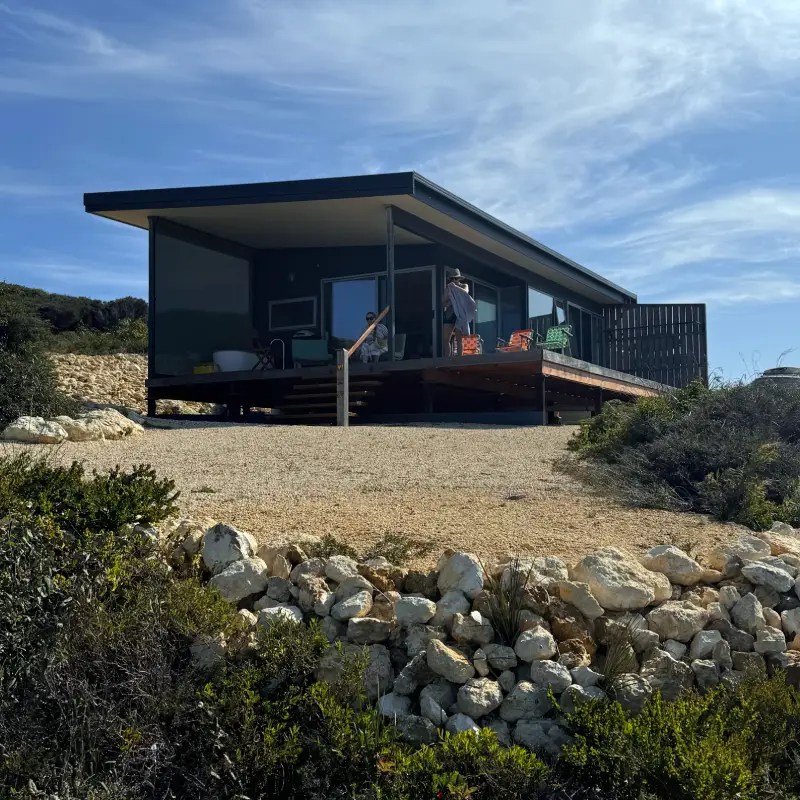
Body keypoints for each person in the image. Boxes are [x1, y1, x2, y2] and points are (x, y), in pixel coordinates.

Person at [442, 269, 477, 356]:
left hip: (460, 314)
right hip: (450, 314)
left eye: (455, 278)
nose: (454, 281)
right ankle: (447, 358)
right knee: (445, 339)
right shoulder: (448, 288)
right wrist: (451, 298)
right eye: (452, 279)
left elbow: (465, 292)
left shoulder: (464, 286)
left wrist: (455, 287)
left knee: (459, 339)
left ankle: (459, 358)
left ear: (459, 279)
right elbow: (443, 303)